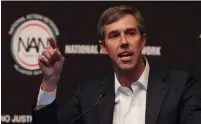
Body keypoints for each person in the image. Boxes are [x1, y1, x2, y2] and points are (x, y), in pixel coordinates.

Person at [32, 5, 201, 124]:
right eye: (114, 35)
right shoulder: (90, 95)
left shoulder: (180, 86)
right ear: (104, 47)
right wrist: (50, 81)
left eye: (130, 33)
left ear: (143, 41)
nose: (124, 42)